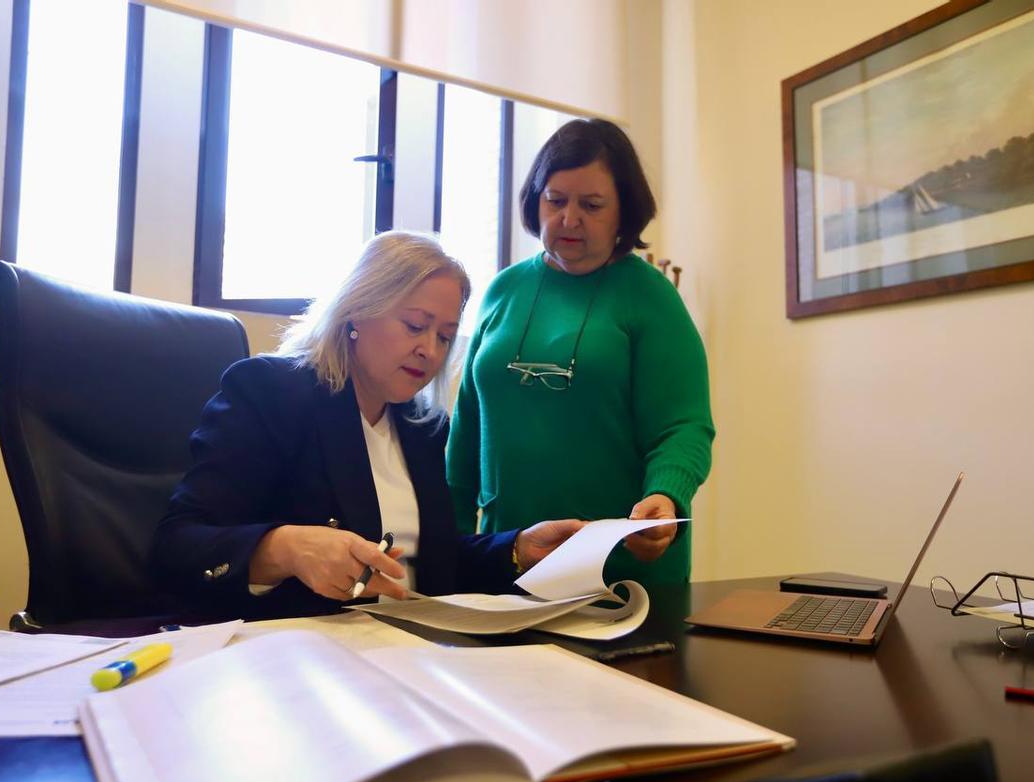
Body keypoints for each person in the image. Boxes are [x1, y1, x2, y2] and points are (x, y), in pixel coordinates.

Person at [153, 231, 582, 619]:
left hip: (416, 650)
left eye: (446, 336)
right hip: (304, 659)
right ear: (357, 310)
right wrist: (282, 548)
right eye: (415, 326)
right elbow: (178, 548)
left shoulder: (423, 428)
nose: (429, 350)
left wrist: (516, 550)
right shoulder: (271, 392)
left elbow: (429, 564)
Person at [446, 119, 714, 588]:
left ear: (623, 213)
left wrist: (666, 496)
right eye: (556, 200)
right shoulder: (502, 291)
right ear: (536, 200)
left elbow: (684, 426)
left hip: (621, 575)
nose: (570, 219)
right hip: (506, 563)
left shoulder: (649, 296)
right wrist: (444, 549)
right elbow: (467, 432)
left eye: (591, 205)